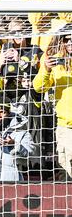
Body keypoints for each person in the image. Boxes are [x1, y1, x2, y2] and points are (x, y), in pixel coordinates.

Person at [33, 33, 72, 178]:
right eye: (67, 40)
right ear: (62, 42)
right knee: (67, 171)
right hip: (67, 128)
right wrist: (46, 70)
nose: (70, 43)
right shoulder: (56, 64)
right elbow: (38, 87)